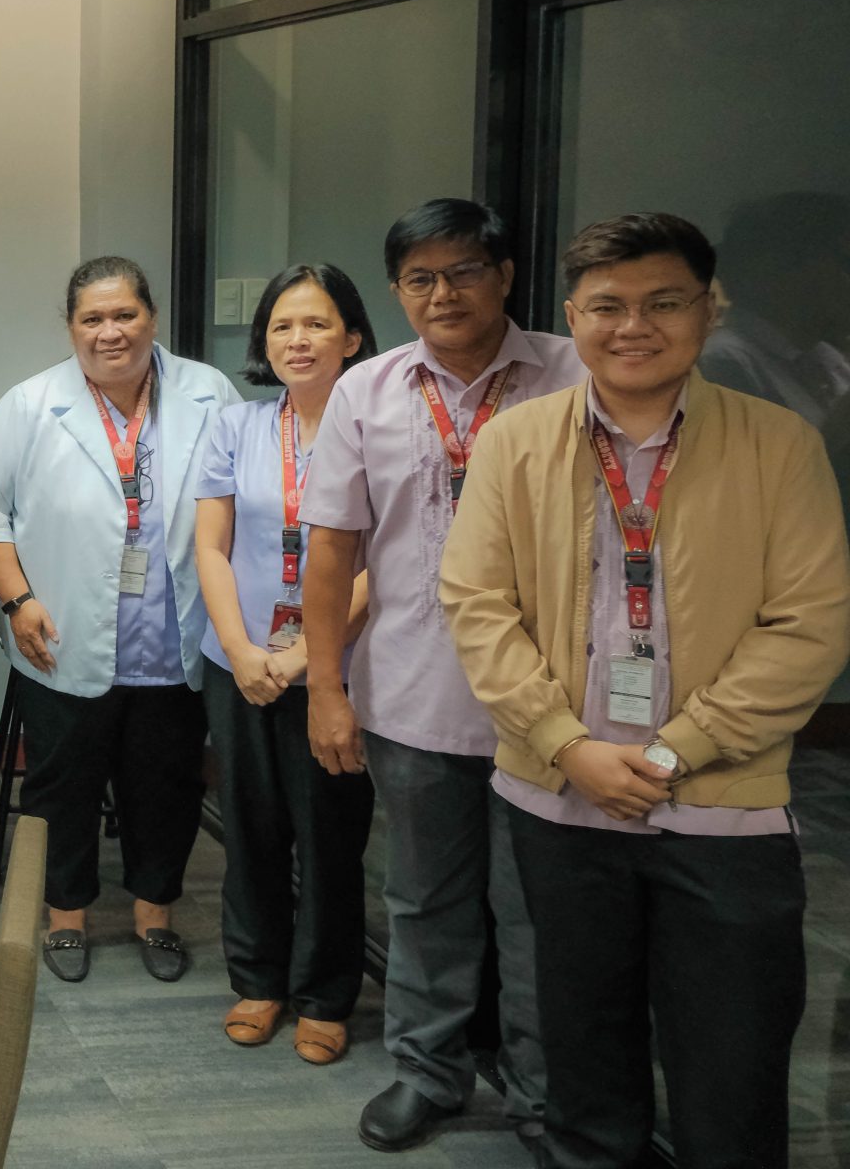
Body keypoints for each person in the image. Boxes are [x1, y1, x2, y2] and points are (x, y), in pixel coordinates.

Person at [443, 212, 850, 1169]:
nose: (634, 326)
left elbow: (810, 626)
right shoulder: (512, 443)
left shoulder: (780, 444)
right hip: (561, 802)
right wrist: (566, 744)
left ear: (711, 310)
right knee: (583, 1055)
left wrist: (676, 750)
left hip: (722, 807)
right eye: (608, 306)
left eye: (664, 303)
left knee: (732, 1070)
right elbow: (476, 604)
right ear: (572, 318)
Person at [296, 197, 581, 1155]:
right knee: (423, 901)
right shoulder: (366, 391)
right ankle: (428, 1072)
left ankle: (543, 1095)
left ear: (504, 276)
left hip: (552, 707)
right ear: (396, 291)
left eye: (463, 271)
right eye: (420, 278)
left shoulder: (573, 373)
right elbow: (331, 549)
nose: (443, 292)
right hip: (413, 698)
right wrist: (326, 689)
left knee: (538, 912)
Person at [0, 257, 239, 987]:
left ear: (152, 317)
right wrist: (17, 601)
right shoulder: (29, 404)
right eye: (92, 318)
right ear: (71, 327)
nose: (109, 332)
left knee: (166, 785)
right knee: (62, 788)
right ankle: (66, 916)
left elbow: (239, 503)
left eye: (124, 315)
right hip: (61, 638)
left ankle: (155, 914)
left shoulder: (208, 393)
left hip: (172, 638)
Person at [190, 264, 379, 1065]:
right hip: (239, 667)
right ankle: (258, 979)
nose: (298, 340)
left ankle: (327, 994)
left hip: (338, 670)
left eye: (317, 323)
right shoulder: (235, 427)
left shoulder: (376, 428)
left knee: (330, 837)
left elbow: (383, 563)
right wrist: (240, 650)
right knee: (251, 828)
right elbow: (211, 546)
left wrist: (306, 656)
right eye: (282, 326)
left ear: (353, 337)